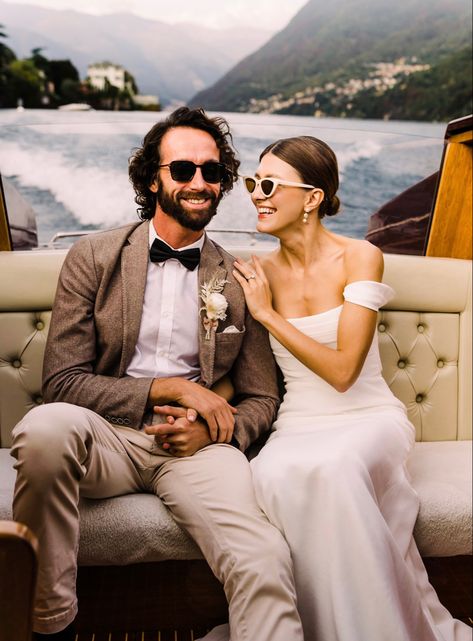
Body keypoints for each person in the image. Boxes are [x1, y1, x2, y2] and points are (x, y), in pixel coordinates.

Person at [10, 108, 304, 641]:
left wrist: (213, 427)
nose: (199, 183)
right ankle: (47, 625)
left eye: (212, 172)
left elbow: (263, 398)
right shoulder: (93, 258)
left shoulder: (239, 279)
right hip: (107, 438)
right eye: (183, 169)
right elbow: (62, 383)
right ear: (153, 177)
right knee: (44, 427)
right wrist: (169, 387)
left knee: (264, 558)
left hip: (198, 450)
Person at [232, 135, 471, 641]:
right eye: (254, 183)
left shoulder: (361, 257)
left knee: (337, 469)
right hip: (297, 424)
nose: (256, 194)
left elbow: (343, 372)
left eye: (269, 183)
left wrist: (268, 315)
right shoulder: (256, 273)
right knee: (273, 474)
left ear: (312, 198)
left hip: (367, 417)